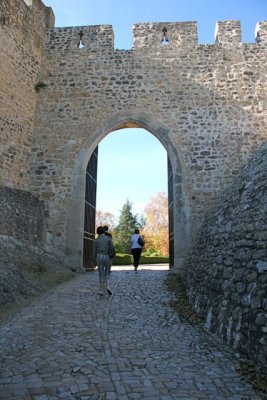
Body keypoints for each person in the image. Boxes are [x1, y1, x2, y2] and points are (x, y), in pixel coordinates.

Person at [93, 226, 113, 296]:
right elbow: (112, 248)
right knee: (107, 272)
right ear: (104, 232)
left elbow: (94, 251)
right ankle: (108, 287)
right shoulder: (108, 238)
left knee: (100, 273)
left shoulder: (96, 240)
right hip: (107, 256)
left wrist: (93, 261)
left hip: (99, 256)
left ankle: (101, 290)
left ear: (97, 232)